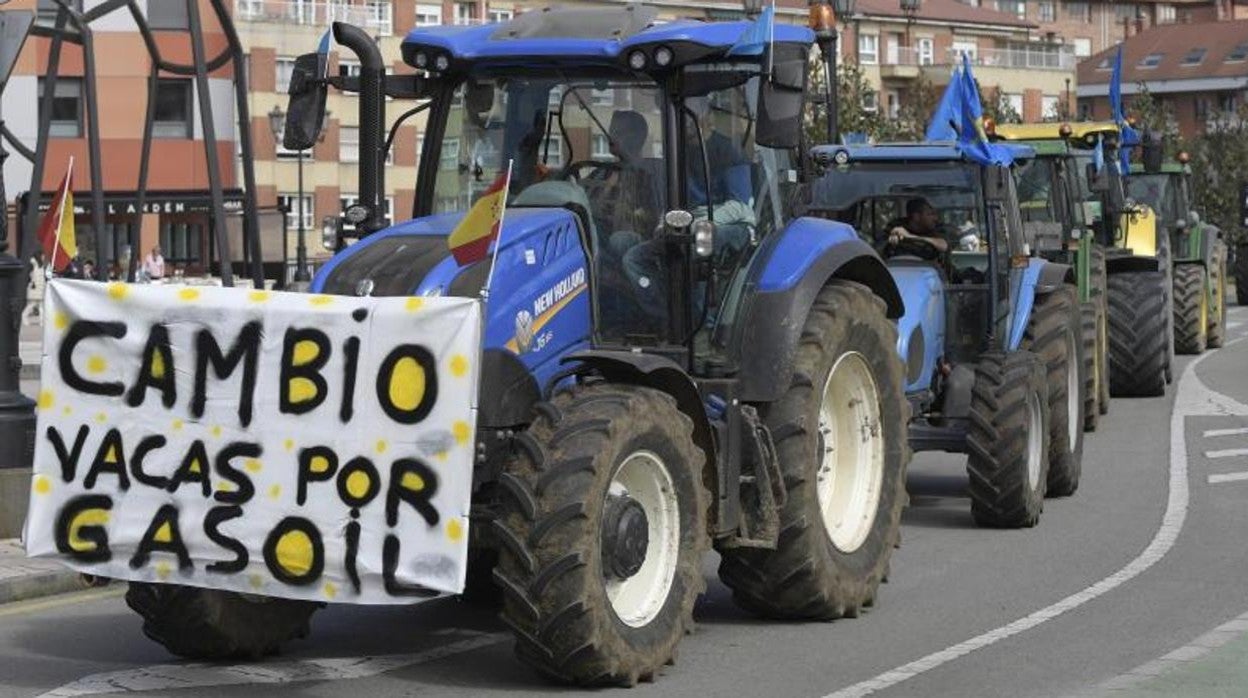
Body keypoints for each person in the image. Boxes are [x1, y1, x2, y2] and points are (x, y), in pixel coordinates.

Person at [621, 95, 756, 327]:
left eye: (688, 117)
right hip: (688, 222)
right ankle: (667, 316)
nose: (682, 124)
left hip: (732, 225)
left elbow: (740, 205)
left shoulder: (728, 152)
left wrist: (696, 222)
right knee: (633, 258)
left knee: (701, 242)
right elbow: (673, 199)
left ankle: (705, 322)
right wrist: (664, 223)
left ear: (704, 118)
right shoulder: (677, 153)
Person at [884, 198, 950, 261]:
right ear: (916, 217)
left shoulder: (937, 227)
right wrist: (892, 239)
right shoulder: (897, 225)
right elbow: (878, 247)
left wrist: (909, 236)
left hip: (933, 269)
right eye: (930, 214)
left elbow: (943, 246)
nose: (935, 218)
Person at [22, 253, 46, 326]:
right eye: (42, 256)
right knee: (32, 305)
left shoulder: (41, 266)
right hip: (35, 289)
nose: (43, 257)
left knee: (41, 306)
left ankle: (42, 322)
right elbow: (29, 275)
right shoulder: (33, 264)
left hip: (41, 288)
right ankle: (24, 316)